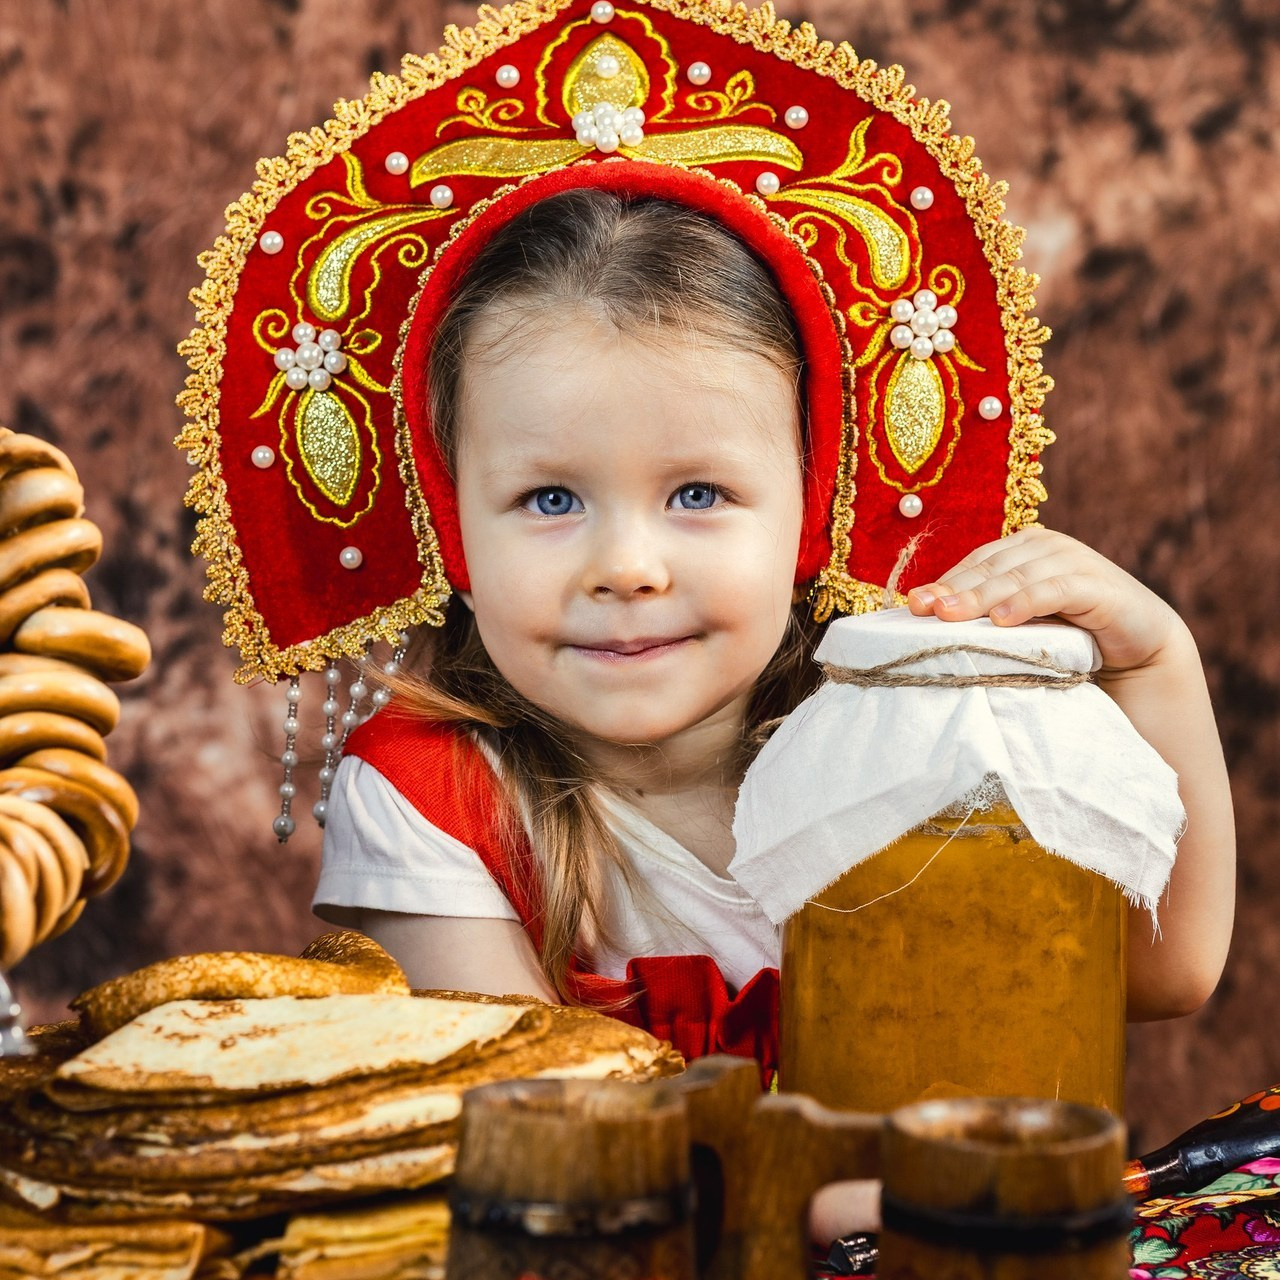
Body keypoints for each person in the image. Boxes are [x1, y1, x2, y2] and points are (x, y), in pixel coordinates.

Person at [313, 187, 1235, 1043]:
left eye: (698, 494)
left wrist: (1157, 662)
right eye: (550, 500)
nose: (627, 569)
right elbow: (542, 1122)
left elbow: (1156, 973)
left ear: (811, 515)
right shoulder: (427, 797)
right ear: (455, 535)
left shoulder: (913, 741)